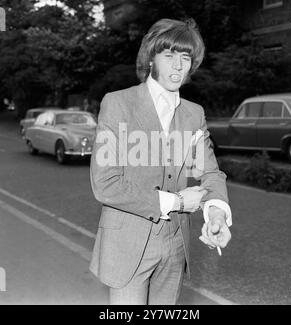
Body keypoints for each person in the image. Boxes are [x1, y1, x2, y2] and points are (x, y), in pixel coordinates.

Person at [89, 18, 232, 305]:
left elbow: (210, 173)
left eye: (185, 57)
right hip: (127, 243)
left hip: (175, 244)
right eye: (169, 55)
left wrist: (216, 213)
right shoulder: (118, 104)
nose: (178, 65)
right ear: (151, 59)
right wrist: (178, 202)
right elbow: (105, 184)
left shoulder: (193, 113)